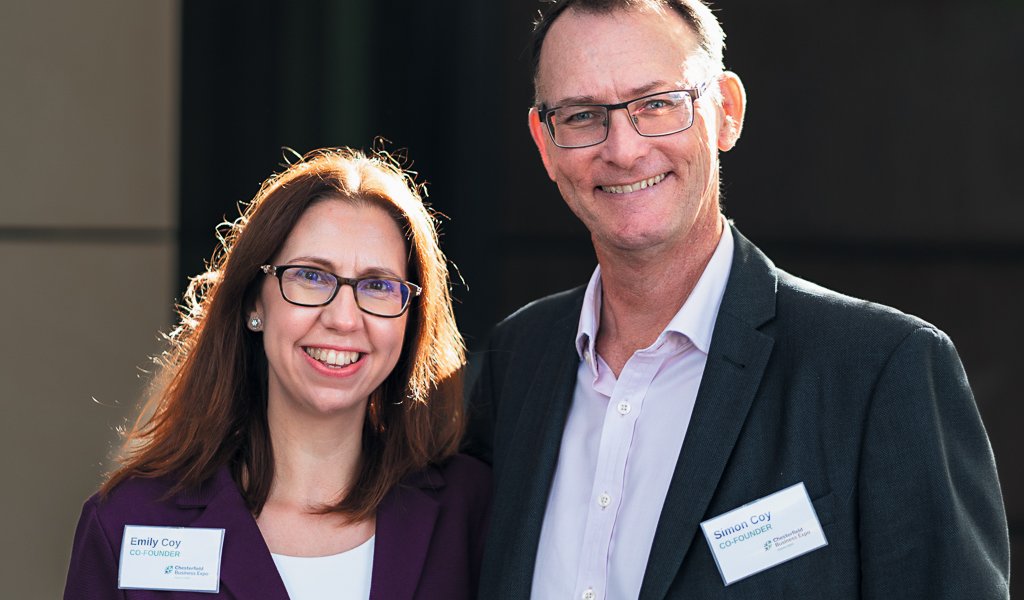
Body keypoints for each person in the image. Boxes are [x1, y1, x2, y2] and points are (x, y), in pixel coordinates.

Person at [466, 1, 1010, 598]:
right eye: (581, 115)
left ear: (725, 112)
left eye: (657, 103)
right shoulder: (518, 359)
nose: (622, 149)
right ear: (545, 143)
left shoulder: (882, 370)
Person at [65, 147, 490, 599]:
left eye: (379, 286)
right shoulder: (130, 523)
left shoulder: (473, 511)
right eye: (311, 276)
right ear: (254, 303)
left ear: (411, 319)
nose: (344, 319)